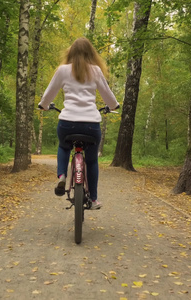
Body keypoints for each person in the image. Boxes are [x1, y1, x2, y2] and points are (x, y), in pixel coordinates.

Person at [38, 37, 119, 210]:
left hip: (68, 123)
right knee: (91, 161)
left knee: (64, 147)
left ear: (70, 52)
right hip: (91, 124)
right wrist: (113, 106)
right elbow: (109, 96)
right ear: (91, 53)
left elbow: (49, 94)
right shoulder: (95, 71)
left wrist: (44, 106)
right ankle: (94, 199)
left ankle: (62, 176)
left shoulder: (62, 70)